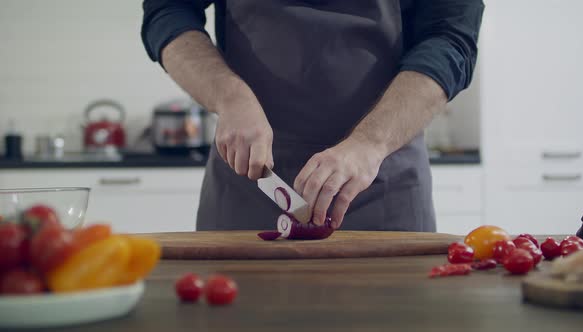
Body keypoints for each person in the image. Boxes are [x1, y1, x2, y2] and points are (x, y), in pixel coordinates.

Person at [142, 0, 484, 232]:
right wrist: (229, 96)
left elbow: (450, 38)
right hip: (248, 185)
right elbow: (169, 10)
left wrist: (371, 142)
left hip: (383, 186)